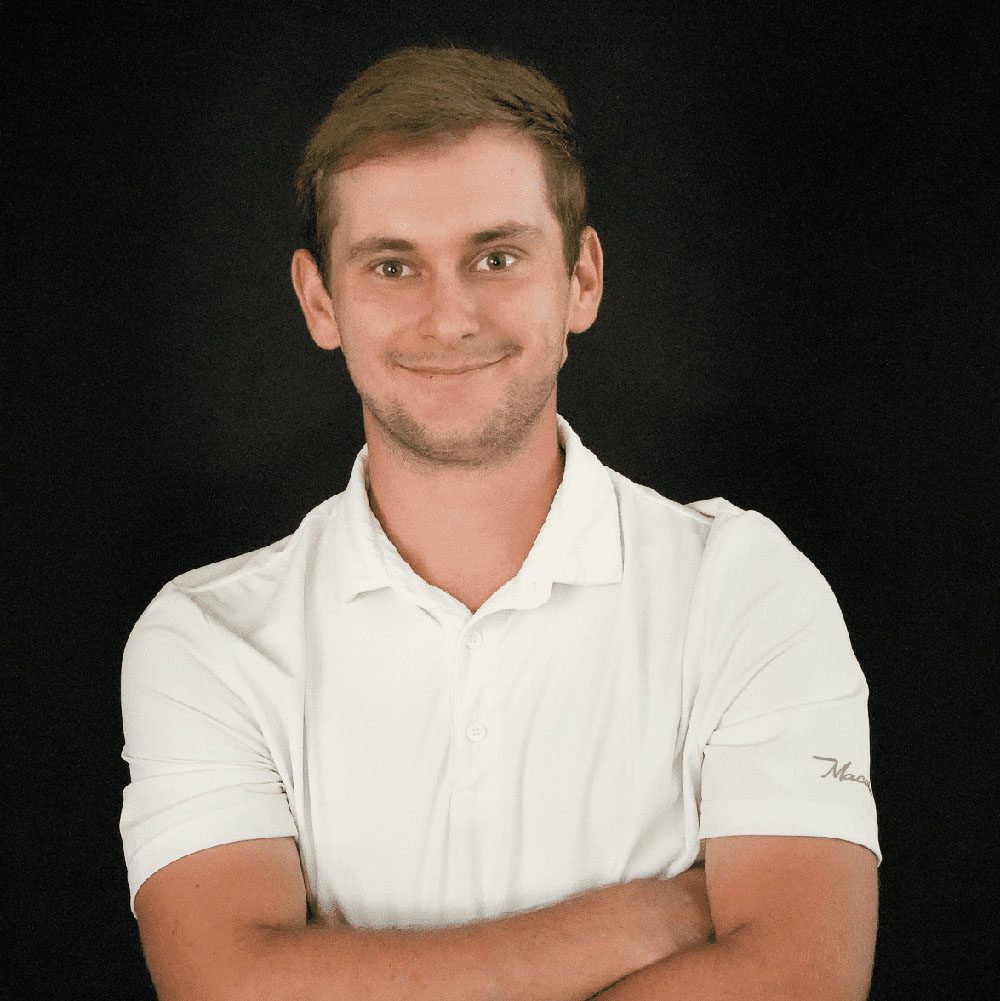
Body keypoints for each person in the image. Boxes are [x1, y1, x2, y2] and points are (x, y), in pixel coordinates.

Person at [120, 45, 880, 1001]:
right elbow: (228, 987)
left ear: (582, 280)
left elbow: (801, 984)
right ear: (321, 301)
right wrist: (652, 917)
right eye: (392, 265)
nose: (451, 316)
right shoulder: (204, 641)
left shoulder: (745, 591)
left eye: (497, 256)